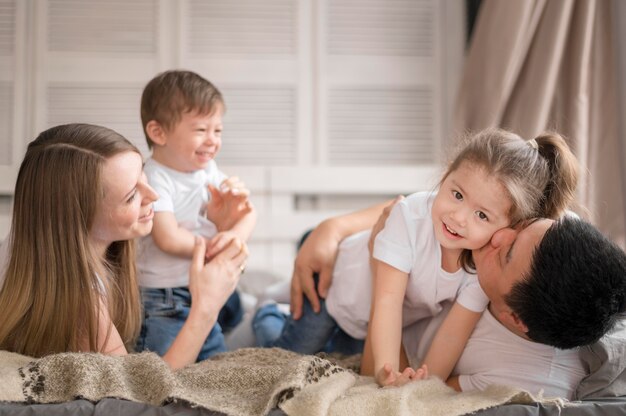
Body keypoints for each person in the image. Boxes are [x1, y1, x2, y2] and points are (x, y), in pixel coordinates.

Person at [254, 129, 579, 387]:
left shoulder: (482, 266)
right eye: (456, 194)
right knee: (291, 356)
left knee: (335, 354)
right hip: (329, 292)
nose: (458, 218)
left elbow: (453, 334)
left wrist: (422, 382)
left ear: (506, 227)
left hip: (363, 325)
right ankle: (268, 312)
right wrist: (381, 375)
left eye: (481, 214)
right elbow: (387, 302)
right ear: (445, 175)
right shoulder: (409, 218)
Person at [286, 192, 626, 399]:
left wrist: (385, 272)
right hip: (365, 251)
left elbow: (405, 387)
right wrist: (334, 227)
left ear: (515, 318)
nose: (499, 235)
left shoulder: (523, 380)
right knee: (313, 254)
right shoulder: (557, 239)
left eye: (506, 255)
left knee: (298, 328)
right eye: (523, 225)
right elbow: (430, 207)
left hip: (372, 318)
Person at [0, 123, 248, 370]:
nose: (154, 196)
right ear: (78, 220)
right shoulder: (81, 301)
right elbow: (139, 394)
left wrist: (221, 226)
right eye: (131, 197)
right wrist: (206, 307)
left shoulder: (45, 238)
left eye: (143, 174)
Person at [135, 70, 257, 360]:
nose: (212, 140)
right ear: (158, 133)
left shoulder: (209, 172)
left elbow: (249, 214)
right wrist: (211, 249)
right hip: (165, 297)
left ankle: (243, 319)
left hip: (203, 288)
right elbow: (167, 237)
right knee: (161, 365)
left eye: (218, 131)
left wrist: (232, 238)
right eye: (201, 130)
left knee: (215, 361)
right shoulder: (155, 177)